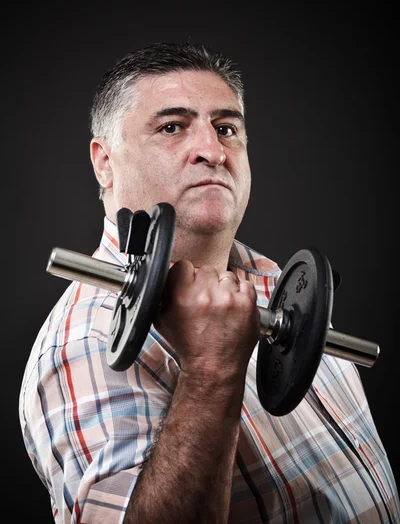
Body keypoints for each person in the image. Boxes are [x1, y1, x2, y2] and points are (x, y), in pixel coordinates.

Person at [19, 41, 399, 524]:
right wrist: (210, 370)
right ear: (104, 161)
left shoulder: (275, 280)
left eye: (226, 129)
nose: (213, 151)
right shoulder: (84, 342)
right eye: (172, 127)